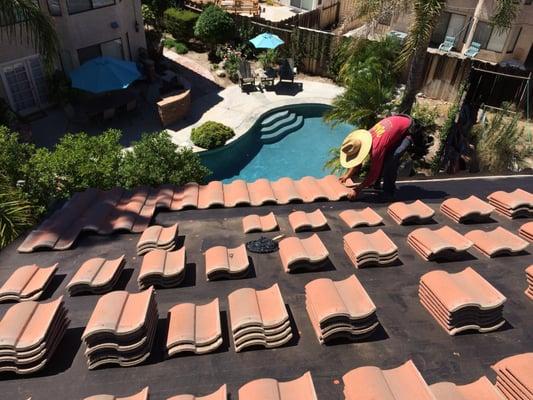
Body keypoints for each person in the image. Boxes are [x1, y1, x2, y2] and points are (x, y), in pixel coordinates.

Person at [339, 114, 416, 200]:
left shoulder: (376, 148)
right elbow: (358, 162)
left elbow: (374, 173)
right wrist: (347, 176)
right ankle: (376, 183)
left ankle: (389, 192)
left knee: (390, 160)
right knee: (381, 159)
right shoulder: (364, 138)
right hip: (398, 123)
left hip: (408, 131)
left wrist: (358, 189)